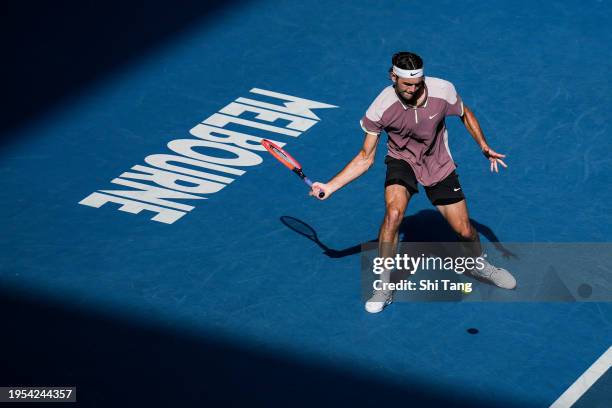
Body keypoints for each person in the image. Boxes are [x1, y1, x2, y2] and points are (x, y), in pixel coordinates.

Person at [310, 51, 516, 313]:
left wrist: (483, 146)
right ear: (392, 76)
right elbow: (365, 158)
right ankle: (384, 285)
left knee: (464, 230)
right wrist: (331, 186)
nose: (413, 89)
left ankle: (478, 263)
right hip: (402, 161)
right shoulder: (380, 107)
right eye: (407, 84)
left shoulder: (443, 90)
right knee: (393, 215)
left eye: (418, 84)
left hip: (438, 162)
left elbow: (465, 113)